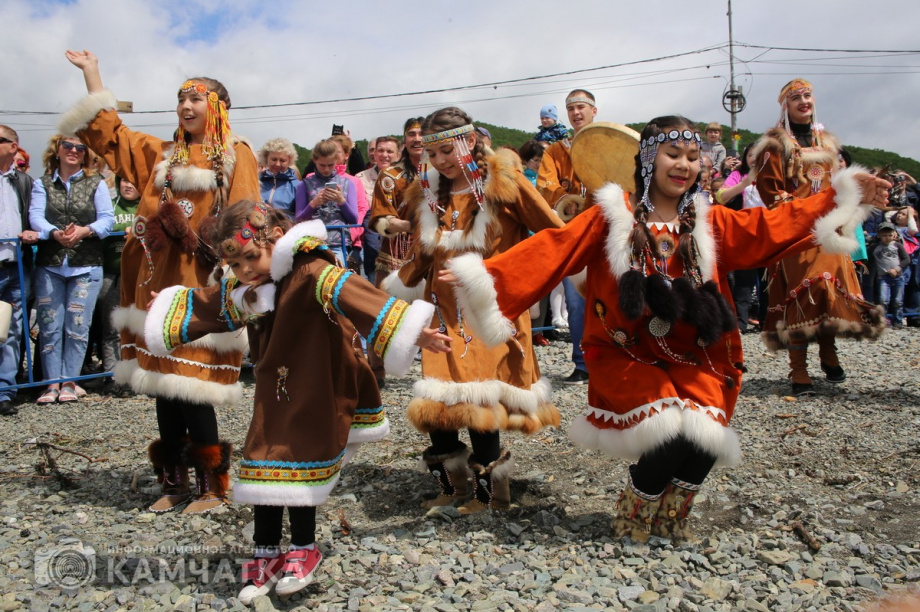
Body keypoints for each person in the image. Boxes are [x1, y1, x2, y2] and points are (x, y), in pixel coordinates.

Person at [444, 115, 891, 541]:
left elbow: (772, 226)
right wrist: (486, 276)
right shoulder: (611, 216)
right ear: (648, 159)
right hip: (626, 352)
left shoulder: (709, 220)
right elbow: (555, 248)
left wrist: (843, 196)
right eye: (673, 154)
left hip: (699, 351)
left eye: (693, 157)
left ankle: (671, 516)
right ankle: (635, 511)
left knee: (706, 437)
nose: (684, 165)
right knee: (669, 432)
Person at [144, 200, 449, 603]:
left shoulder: (311, 270)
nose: (245, 270)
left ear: (275, 239)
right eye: (235, 264)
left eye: (251, 258)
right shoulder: (249, 287)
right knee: (262, 459)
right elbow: (213, 302)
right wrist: (169, 309)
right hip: (274, 388)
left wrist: (414, 331)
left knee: (299, 461)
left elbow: (358, 296)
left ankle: (304, 547)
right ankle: (266, 551)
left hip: (317, 383)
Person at [63, 49, 261, 514]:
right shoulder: (162, 155)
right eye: (180, 99)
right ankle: (173, 482)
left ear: (218, 107)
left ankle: (213, 486)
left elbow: (246, 220)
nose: (185, 107)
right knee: (162, 385)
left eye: (196, 99)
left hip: (198, 285)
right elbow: (112, 134)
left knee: (192, 385)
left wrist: (230, 277)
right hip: (151, 284)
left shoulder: (236, 154)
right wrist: (93, 73)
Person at [381, 106, 564, 514]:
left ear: (470, 141)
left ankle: (490, 496)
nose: (441, 161)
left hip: (489, 309)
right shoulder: (427, 193)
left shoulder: (504, 183)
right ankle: (452, 487)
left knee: (481, 398)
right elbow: (422, 256)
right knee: (437, 401)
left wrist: (489, 273)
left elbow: (553, 237)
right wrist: (392, 294)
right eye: (433, 154)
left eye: (447, 150)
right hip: (442, 309)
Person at [753, 79, 885, 396]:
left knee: (829, 290)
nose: (804, 101)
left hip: (829, 228)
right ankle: (798, 369)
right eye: (796, 97)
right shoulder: (774, 145)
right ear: (785, 105)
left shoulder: (827, 143)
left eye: (808, 95)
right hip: (796, 230)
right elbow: (769, 190)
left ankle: (828, 351)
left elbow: (836, 183)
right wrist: (799, 210)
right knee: (803, 294)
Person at [29, 134, 114, 404]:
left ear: (86, 154)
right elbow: (35, 216)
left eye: (80, 147)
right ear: (57, 150)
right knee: (49, 326)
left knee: (77, 326)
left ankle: (69, 382)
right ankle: (51, 384)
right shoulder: (41, 183)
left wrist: (84, 231)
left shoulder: (96, 183)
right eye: (68, 145)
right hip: (50, 264)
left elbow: (107, 220)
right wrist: (53, 233)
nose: (74, 150)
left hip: (86, 265)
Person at [536, 89, 598, 385]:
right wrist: (568, 199)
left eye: (581, 107)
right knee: (576, 301)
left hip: (608, 229)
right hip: (574, 231)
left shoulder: (608, 142)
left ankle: (615, 361)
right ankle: (582, 363)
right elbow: (546, 184)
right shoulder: (555, 150)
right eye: (571, 108)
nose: (576, 112)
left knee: (614, 298)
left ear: (593, 110)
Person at [367, 117, 425, 388]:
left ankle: (439, 371)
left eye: (422, 133)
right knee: (380, 315)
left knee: (438, 315)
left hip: (433, 253)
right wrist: (410, 225)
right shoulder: (390, 176)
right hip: (395, 253)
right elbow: (380, 216)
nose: (417, 139)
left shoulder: (444, 172)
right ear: (404, 141)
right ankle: (375, 372)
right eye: (412, 134)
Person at [0, 126, 39, 416]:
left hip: (16, 266)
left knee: (10, 331)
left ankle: (4, 391)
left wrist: (33, 232)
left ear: (13, 146)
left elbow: (35, 217)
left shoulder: (24, 182)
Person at [96, 177, 140, 396]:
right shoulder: (109, 206)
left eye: (133, 181)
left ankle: (136, 378)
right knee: (111, 327)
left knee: (137, 329)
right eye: (123, 181)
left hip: (139, 276)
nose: (128, 185)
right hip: (111, 274)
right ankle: (112, 376)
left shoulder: (147, 207)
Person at [716, 144, 764, 332]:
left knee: (768, 281)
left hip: (769, 230)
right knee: (744, 281)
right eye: (751, 155)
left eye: (758, 155)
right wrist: (744, 184)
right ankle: (740, 323)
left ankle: (768, 322)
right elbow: (721, 196)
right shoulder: (738, 174)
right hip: (745, 232)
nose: (754, 158)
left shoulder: (774, 175)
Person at [294, 139, 357, 255]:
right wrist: (314, 204)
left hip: (339, 242)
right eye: (322, 165)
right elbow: (299, 219)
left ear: (336, 160)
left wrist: (341, 201)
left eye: (330, 165)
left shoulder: (348, 183)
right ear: (314, 160)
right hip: (312, 243)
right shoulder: (304, 185)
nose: (326, 169)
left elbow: (354, 220)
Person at [356, 136, 399, 283]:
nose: (384, 155)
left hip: (401, 249)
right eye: (380, 150)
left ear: (398, 155)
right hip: (373, 249)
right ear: (374, 154)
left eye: (389, 151)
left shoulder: (408, 179)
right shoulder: (360, 179)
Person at [870, 223, 910, 328]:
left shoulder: (897, 245)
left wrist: (896, 269)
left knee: (898, 301)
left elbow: (906, 259)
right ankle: (883, 321)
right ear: (879, 235)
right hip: (883, 277)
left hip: (898, 276)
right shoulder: (875, 247)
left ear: (894, 234)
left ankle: (898, 321)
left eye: (889, 235)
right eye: (884, 235)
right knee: (883, 300)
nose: (887, 238)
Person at [258, 138, 300, 217]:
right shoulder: (257, 181)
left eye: (282, 160)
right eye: (274, 159)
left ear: (289, 160)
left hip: (284, 224)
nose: (277, 164)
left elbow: (300, 217)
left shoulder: (297, 186)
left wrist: (275, 214)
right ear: (266, 158)